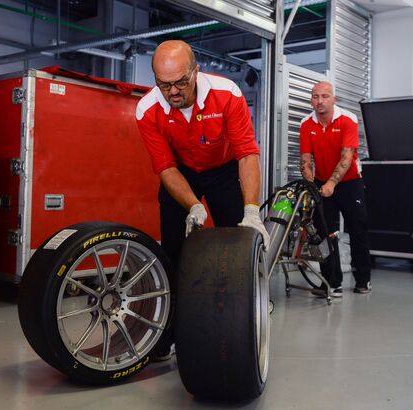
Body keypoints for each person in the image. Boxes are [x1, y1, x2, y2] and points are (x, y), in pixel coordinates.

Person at [135, 40, 270, 360]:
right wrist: (193, 205)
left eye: (181, 81)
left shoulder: (227, 94)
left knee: (238, 246)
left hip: (223, 170)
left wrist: (251, 212)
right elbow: (165, 168)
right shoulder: (147, 109)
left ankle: (244, 320)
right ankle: (167, 334)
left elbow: (247, 153)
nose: (173, 92)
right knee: (172, 253)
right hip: (182, 173)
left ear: (196, 71)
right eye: (164, 84)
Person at [299, 81, 372, 297]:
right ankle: (331, 283)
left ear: (334, 99)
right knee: (325, 233)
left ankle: (363, 280)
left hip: (349, 182)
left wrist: (332, 183)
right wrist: (311, 180)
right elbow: (305, 159)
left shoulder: (348, 119)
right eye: (315, 96)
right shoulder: (306, 124)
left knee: (358, 229)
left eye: (324, 96)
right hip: (322, 182)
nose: (319, 101)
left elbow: (347, 156)